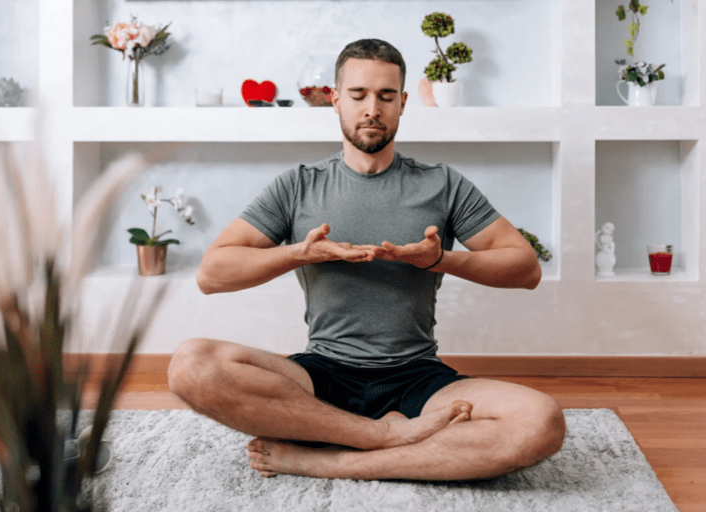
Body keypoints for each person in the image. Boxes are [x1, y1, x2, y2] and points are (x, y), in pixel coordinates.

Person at [168, 38, 565, 481]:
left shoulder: (443, 184)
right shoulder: (297, 186)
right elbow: (212, 274)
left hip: (417, 377)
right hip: (321, 377)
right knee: (190, 364)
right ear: (335, 100)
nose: (371, 108)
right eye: (358, 95)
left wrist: (439, 261)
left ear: (402, 104)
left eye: (386, 96)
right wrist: (301, 251)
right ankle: (380, 436)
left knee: (540, 421)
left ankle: (335, 460)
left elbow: (525, 268)